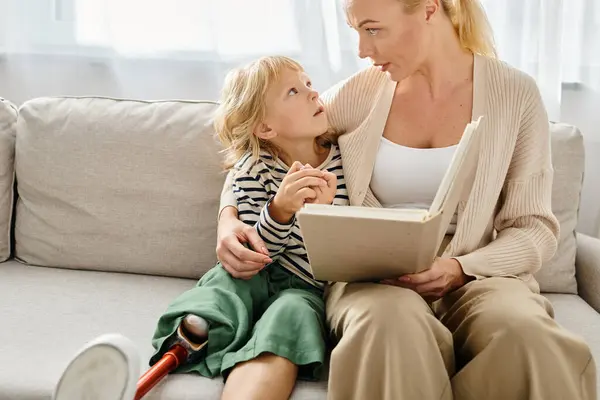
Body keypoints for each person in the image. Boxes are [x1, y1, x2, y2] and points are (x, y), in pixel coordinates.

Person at [216, 0, 597, 399]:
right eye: (357, 32)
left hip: (479, 272)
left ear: (430, 9)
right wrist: (229, 217)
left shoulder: (515, 94)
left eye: (373, 29)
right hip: (372, 276)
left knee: (527, 336)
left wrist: (460, 267)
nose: (362, 50)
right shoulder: (361, 93)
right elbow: (262, 144)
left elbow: (534, 228)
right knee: (388, 325)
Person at [51, 55, 348, 400]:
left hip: (304, 285)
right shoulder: (254, 169)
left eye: (309, 84)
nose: (314, 94)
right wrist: (279, 212)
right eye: (294, 92)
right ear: (265, 128)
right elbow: (254, 251)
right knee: (223, 289)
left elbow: (333, 258)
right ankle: (186, 342)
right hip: (255, 273)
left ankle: (252, 359)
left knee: (293, 312)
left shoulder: (342, 161)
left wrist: (321, 213)